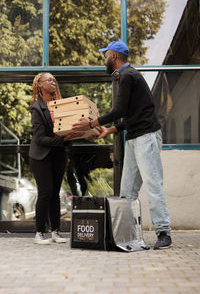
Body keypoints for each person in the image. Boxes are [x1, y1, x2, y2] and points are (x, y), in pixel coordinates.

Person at [72, 40, 172, 250]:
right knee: (127, 191)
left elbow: (119, 110)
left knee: (153, 184)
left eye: (105, 55)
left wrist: (91, 123)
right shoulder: (125, 77)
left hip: (146, 137)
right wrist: (109, 130)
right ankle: (126, 234)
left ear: (114, 57)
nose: (104, 59)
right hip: (134, 138)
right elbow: (131, 115)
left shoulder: (128, 76)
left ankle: (164, 232)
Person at [29, 72, 82, 245]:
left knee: (55, 194)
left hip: (58, 155)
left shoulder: (61, 106)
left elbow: (65, 129)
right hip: (41, 156)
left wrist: (73, 134)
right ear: (40, 85)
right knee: (45, 192)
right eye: (49, 80)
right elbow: (39, 139)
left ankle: (55, 232)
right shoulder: (37, 108)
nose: (53, 82)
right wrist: (62, 140)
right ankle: (39, 232)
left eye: (54, 80)